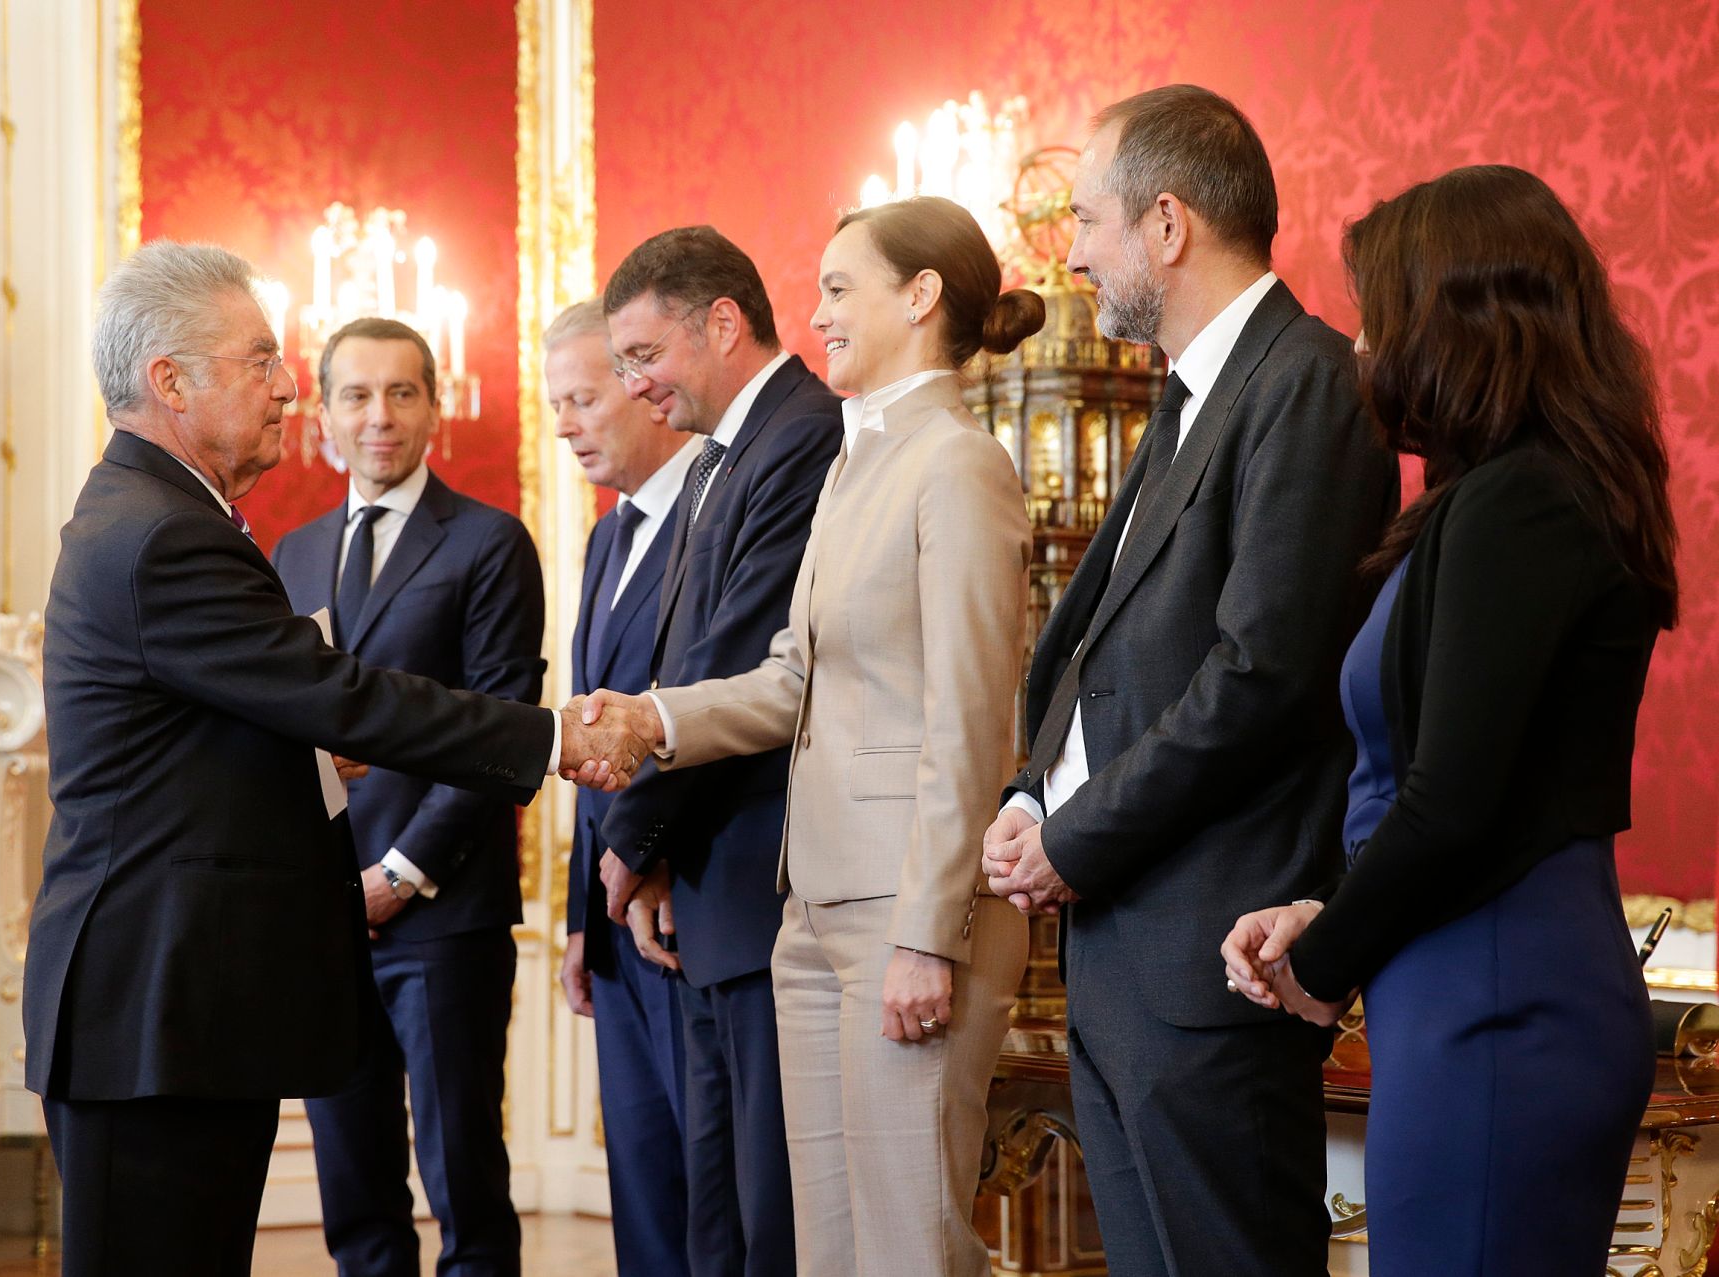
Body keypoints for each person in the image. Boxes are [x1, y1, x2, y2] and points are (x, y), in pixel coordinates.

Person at [21, 241, 647, 1277]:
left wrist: (311, 762)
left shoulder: (161, 515)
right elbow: (339, 695)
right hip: (153, 1007)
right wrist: (551, 736)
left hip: (180, 1004)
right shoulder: (164, 534)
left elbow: (221, 732)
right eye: (260, 357)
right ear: (169, 381)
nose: (286, 385)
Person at [1222, 164, 1677, 1275]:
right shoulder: (1496, 497)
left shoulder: (1525, 499)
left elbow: (1457, 800)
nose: (1364, 347)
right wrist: (1319, 906)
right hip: (1462, 981)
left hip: (1499, 993)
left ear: (1459, 318)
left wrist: (1321, 958)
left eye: (1380, 314)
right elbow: (1431, 786)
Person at [979, 85, 1398, 1276]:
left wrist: (1076, 835)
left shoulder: (1306, 382)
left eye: (1087, 221)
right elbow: (1098, 640)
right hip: (1128, 949)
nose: (1069, 255)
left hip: (1211, 954)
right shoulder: (1191, 394)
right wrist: (1030, 796)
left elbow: (1259, 674)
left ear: (1166, 225)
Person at [583, 196, 1041, 1275]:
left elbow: (970, 721)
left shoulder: (959, 463)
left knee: (907, 1244)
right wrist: (654, 719)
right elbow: (791, 675)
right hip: (812, 906)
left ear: (919, 296)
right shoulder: (848, 461)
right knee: (827, 1248)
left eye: (840, 287)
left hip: (906, 912)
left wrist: (929, 931)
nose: (818, 312)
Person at [589, 226, 843, 1277]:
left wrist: (632, 831)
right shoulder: (715, 458)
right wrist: (651, 851)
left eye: (644, 356)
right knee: (715, 1219)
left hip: (762, 877)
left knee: (767, 1216)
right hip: (705, 884)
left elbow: (730, 653)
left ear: (723, 324)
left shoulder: (803, 435)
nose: (635, 387)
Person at [270, 318, 543, 1277]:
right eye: (356, 394)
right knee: (355, 1182)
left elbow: (501, 729)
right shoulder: (290, 555)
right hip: (326, 915)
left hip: (442, 911)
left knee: (464, 1172)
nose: (378, 416)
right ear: (324, 416)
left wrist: (401, 871)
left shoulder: (489, 542)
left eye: (401, 393)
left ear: (435, 407)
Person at [547, 299, 698, 1277]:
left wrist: (654, 859)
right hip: (613, 923)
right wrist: (575, 917)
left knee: (707, 1201)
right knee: (643, 1195)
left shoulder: (717, 516)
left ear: (643, 387)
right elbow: (588, 735)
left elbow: (712, 711)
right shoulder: (608, 537)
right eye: (554, 403)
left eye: (582, 397)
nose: (563, 423)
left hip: (685, 902)